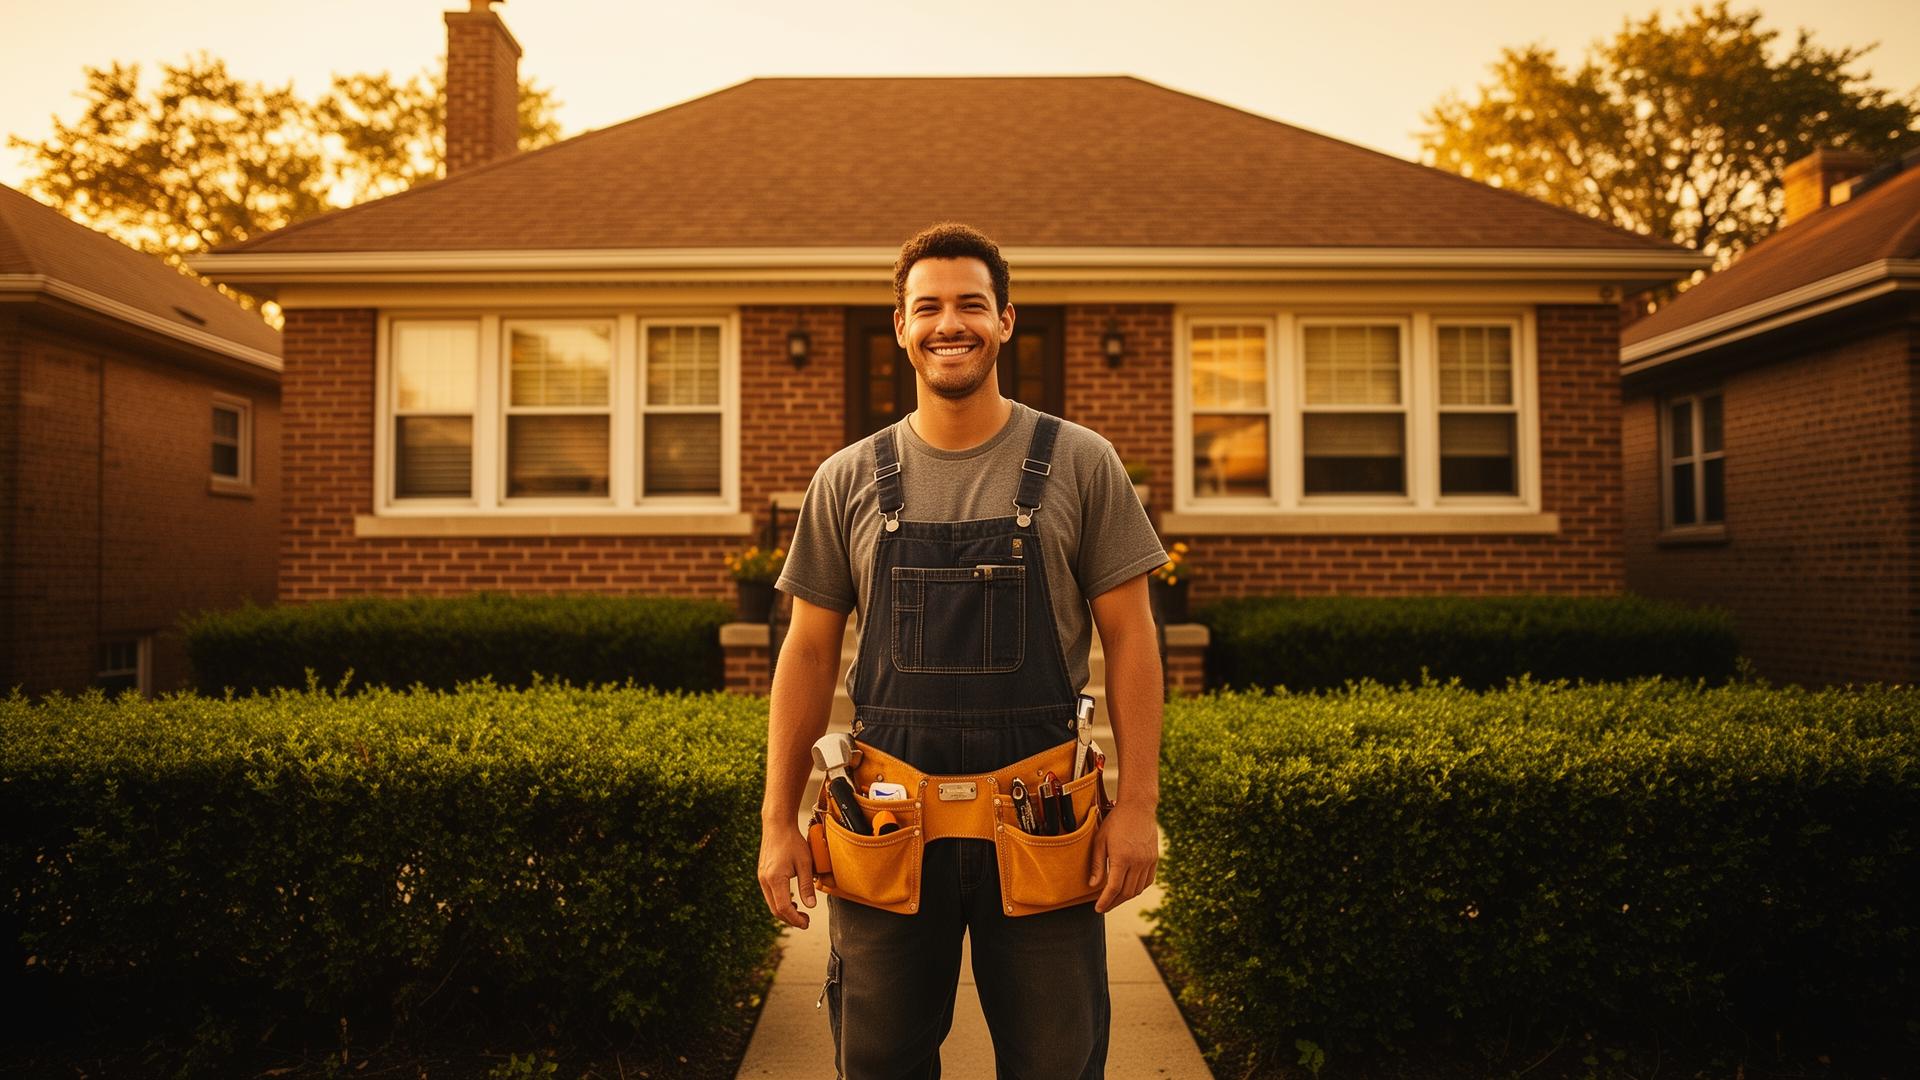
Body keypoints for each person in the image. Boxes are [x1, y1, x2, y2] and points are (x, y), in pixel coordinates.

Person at [757, 222, 1169, 1079]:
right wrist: (777, 820)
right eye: (930, 307)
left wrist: (1137, 808)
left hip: (1045, 824)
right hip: (884, 826)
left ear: (1007, 321)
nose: (952, 324)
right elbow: (805, 653)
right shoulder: (848, 478)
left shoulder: (1082, 462)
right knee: (878, 1063)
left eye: (972, 305)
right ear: (901, 326)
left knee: (1057, 1062)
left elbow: (1132, 638)